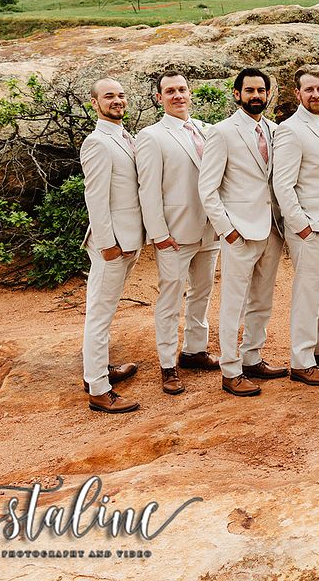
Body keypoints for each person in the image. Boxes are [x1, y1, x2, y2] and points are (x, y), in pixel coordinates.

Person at [198, 67, 287, 396]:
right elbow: (207, 189)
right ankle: (230, 369)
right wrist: (228, 231)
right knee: (233, 303)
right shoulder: (222, 133)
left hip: (272, 230)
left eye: (261, 91)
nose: (256, 96)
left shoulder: (277, 131)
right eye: (249, 91)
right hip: (239, 232)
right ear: (237, 94)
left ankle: (253, 357)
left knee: (262, 300)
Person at [135, 71, 220, 396]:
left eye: (182, 89)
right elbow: (148, 188)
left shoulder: (207, 130)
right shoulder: (151, 136)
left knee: (202, 292)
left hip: (209, 230)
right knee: (170, 300)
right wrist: (159, 233)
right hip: (173, 234)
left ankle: (194, 351)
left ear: (190, 93)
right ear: (160, 98)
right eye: (170, 91)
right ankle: (167, 365)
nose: (177, 95)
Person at [271, 64, 319, 387]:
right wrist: (300, 225)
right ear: (298, 93)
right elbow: (282, 183)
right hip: (310, 227)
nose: (316, 94)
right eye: (310, 89)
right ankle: (301, 360)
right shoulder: (290, 129)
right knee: (308, 293)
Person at [80, 78, 143, 413]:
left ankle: (99, 369)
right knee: (100, 315)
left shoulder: (124, 136)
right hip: (112, 243)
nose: (117, 101)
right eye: (109, 96)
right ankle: (99, 391)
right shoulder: (97, 143)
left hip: (130, 238)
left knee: (107, 309)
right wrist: (107, 243)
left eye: (120, 95)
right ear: (95, 102)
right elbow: (96, 198)